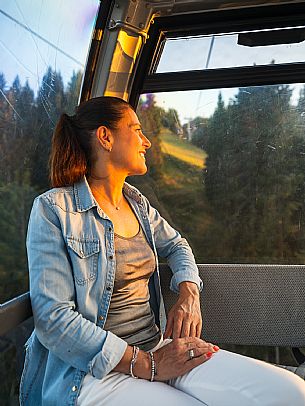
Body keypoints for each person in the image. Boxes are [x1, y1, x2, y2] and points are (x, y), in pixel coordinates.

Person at [20, 96, 305, 406]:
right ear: (105, 137)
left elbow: (177, 244)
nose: (147, 142)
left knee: (289, 392)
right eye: (137, 129)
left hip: (156, 348)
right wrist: (146, 365)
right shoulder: (54, 210)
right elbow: (53, 319)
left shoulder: (137, 203)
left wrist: (188, 293)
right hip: (92, 374)